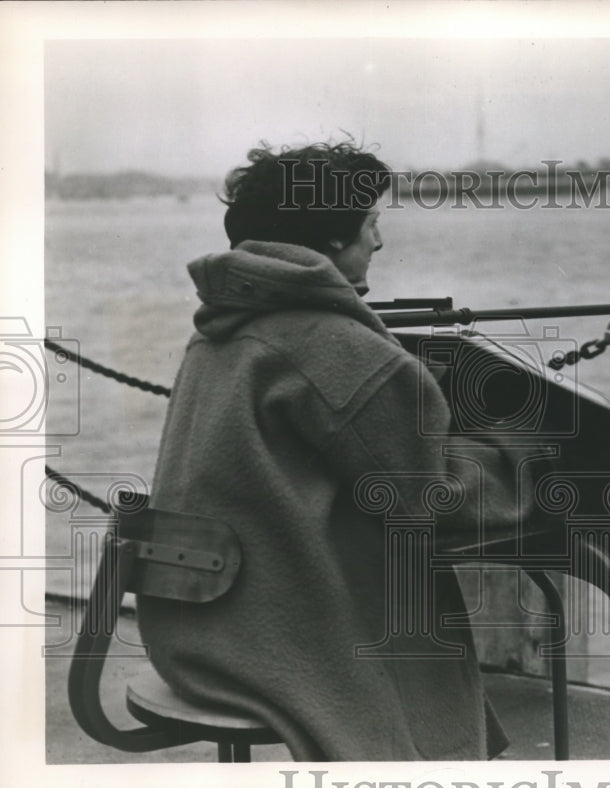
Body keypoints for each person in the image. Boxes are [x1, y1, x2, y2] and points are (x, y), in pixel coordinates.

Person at [137, 141, 546, 761]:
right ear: (331, 238)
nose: (378, 242)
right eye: (372, 223)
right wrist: (515, 451)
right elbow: (428, 502)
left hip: (191, 628)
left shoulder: (220, 329)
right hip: (268, 645)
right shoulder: (332, 348)